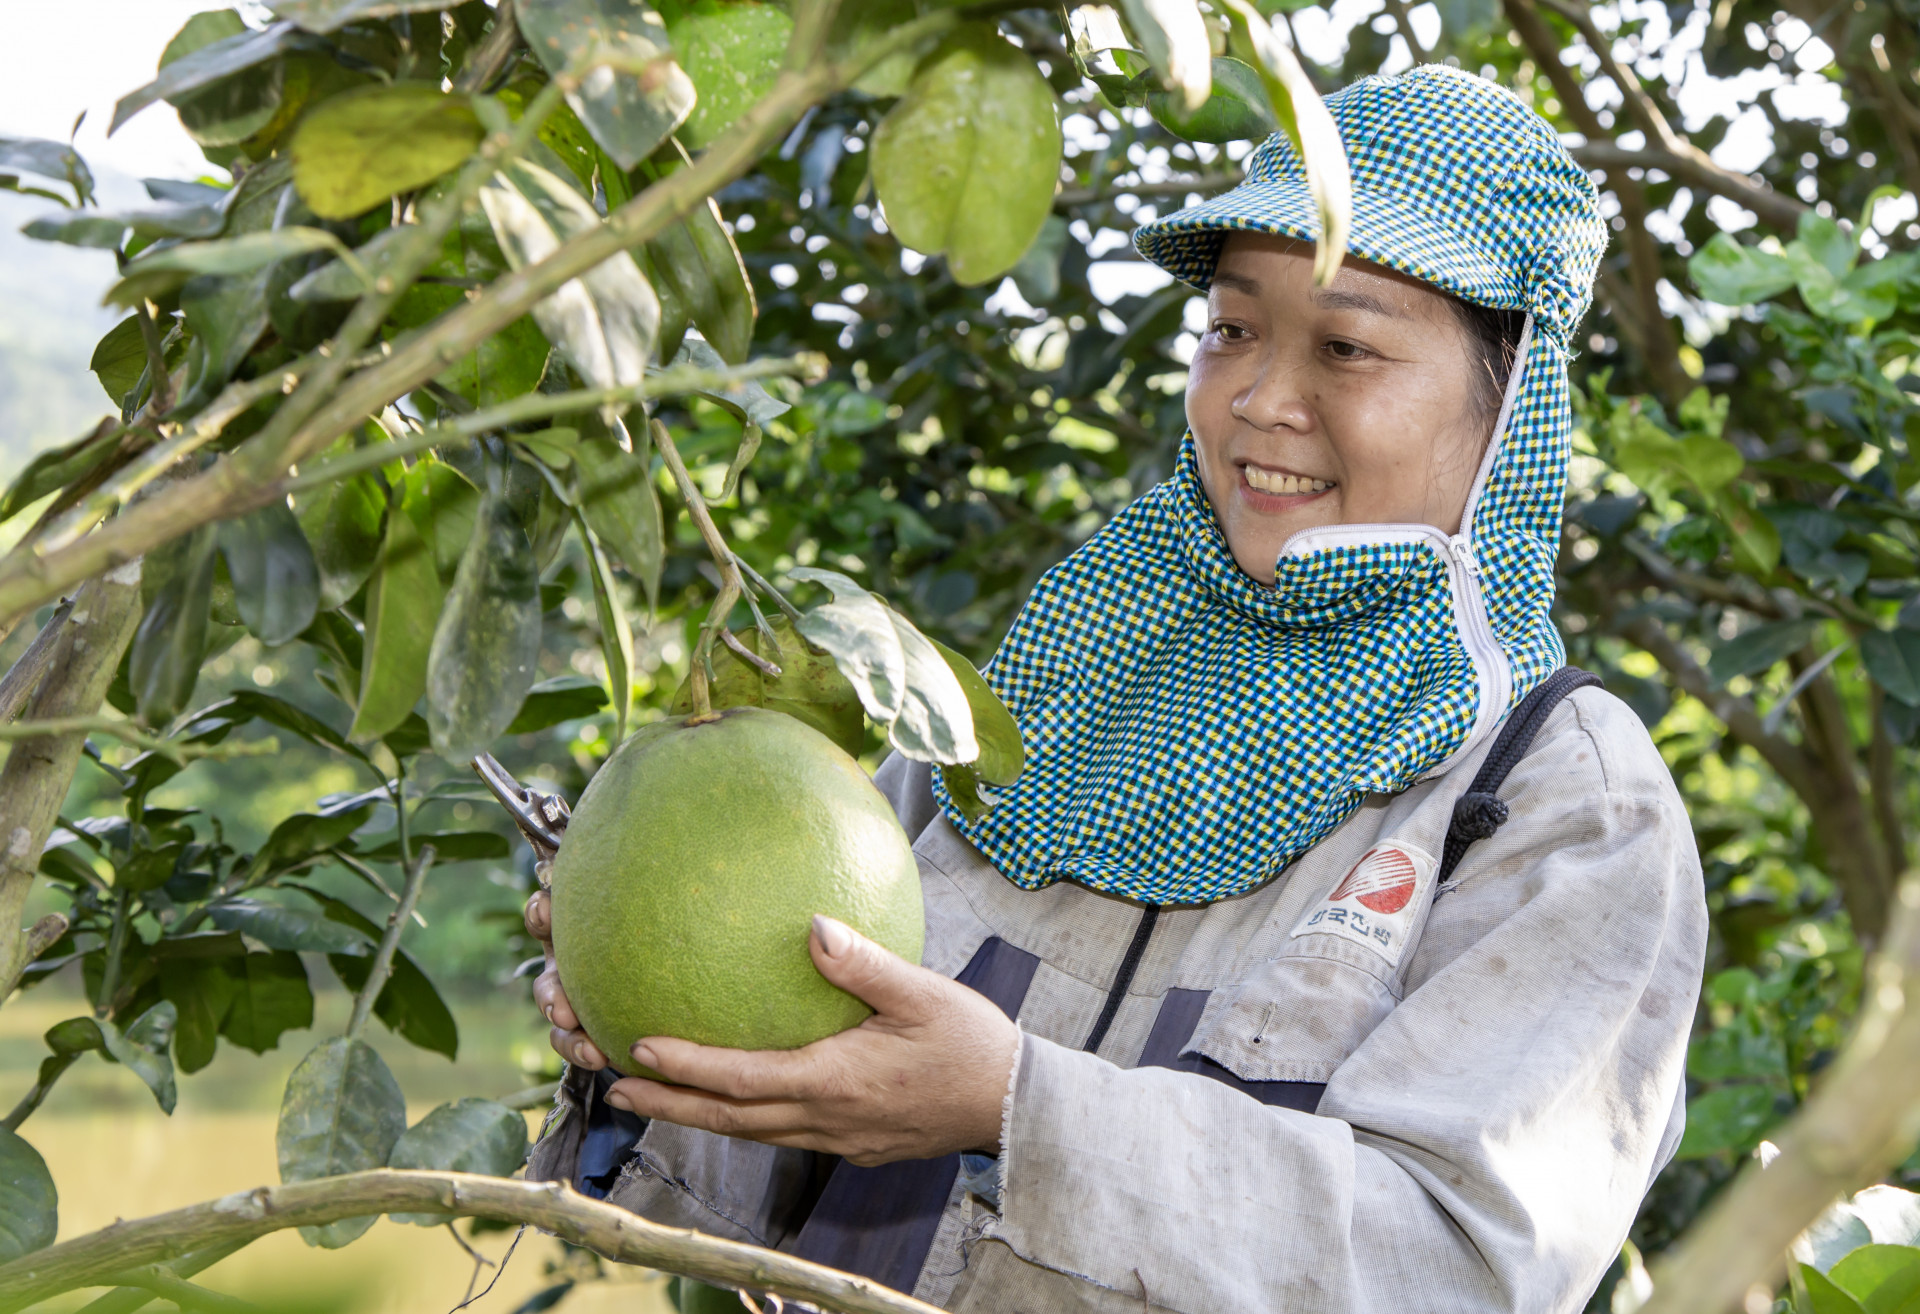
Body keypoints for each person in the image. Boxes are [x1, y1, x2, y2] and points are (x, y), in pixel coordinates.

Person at [522, 64, 1707, 1313]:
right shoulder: (1060, 680)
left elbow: (1456, 1264)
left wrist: (1020, 1112)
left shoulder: (1563, 804)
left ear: (1508, 403)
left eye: (1347, 345)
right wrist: (644, 1035)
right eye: (1234, 329)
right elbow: (768, 1165)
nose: (1256, 399)